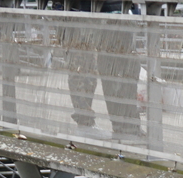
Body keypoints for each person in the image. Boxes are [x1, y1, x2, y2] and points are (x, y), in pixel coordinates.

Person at [57, 0, 141, 137]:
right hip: (79, 13)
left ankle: (125, 128)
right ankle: (85, 124)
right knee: (83, 68)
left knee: (116, 69)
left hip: (113, 13)